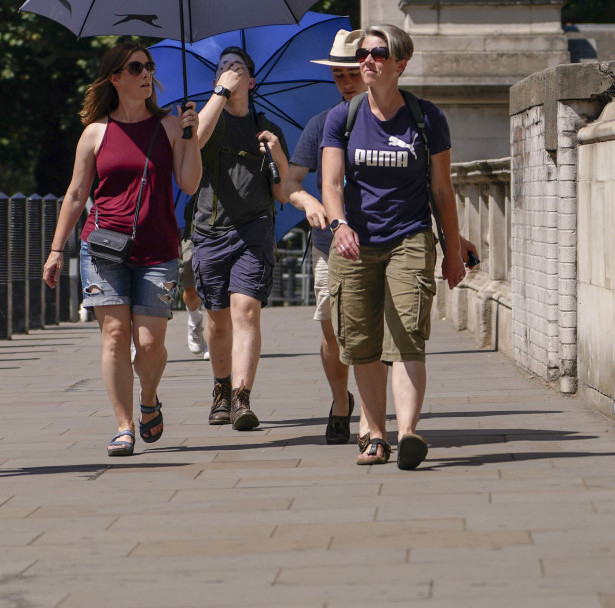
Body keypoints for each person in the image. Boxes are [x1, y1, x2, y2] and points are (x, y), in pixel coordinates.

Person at [321, 24, 478, 470]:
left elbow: (442, 191)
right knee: (362, 342)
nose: (366, 61)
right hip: (355, 243)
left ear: (400, 64)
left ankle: (408, 432)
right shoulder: (344, 117)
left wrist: (451, 249)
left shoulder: (427, 118)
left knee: (406, 333)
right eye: (363, 54)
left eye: (378, 54)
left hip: (409, 237)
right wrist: (339, 225)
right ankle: (375, 434)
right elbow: (331, 183)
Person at [43, 42, 201, 457]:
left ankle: (149, 398)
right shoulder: (96, 132)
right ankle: (124, 425)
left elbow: (189, 184)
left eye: (149, 66)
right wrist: (57, 249)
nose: (146, 73)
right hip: (104, 247)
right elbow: (77, 194)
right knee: (114, 335)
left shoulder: (169, 126)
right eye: (135, 67)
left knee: (149, 344)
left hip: (159, 249)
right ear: (115, 77)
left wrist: (192, 136)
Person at [190, 46, 290, 431]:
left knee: (246, 311)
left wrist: (277, 155)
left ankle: (241, 397)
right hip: (209, 230)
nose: (231, 71)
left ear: (251, 80)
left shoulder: (267, 129)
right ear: (217, 80)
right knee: (217, 318)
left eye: (238, 68)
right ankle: (220, 389)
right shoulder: (207, 118)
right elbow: (194, 141)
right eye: (223, 68)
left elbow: (281, 193)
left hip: (254, 229)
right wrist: (219, 94)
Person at [284, 28, 375, 446]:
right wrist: (307, 202)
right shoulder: (321, 123)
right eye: (337, 74)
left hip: (381, 240)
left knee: (372, 332)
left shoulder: (394, 120)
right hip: (330, 246)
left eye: (350, 72)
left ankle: (373, 417)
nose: (344, 81)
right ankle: (341, 400)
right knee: (333, 331)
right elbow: (289, 182)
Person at [178, 237, 208, 358]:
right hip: (185, 227)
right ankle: (195, 319)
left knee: (215, 285)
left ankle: (215, 338)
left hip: (215, 227)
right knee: (190, 288)